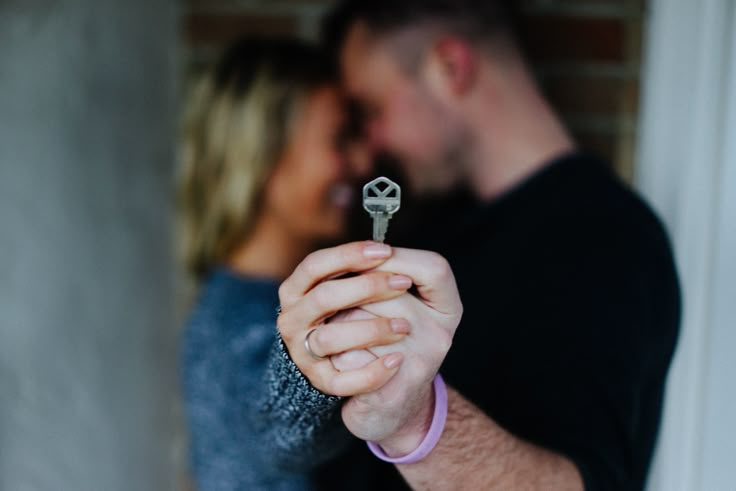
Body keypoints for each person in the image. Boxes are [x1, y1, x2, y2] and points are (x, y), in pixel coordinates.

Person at [273, 1, 682, 490]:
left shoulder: (608, 239)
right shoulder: (435, 219)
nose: (372, 143)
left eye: (373, 109)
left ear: (450, 68)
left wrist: (415, 422)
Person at [176, 37, 404, 491]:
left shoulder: (236, 297)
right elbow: (279, 433)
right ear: (261, 154)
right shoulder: (244, 321)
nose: (363, 162)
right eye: (340, 139)